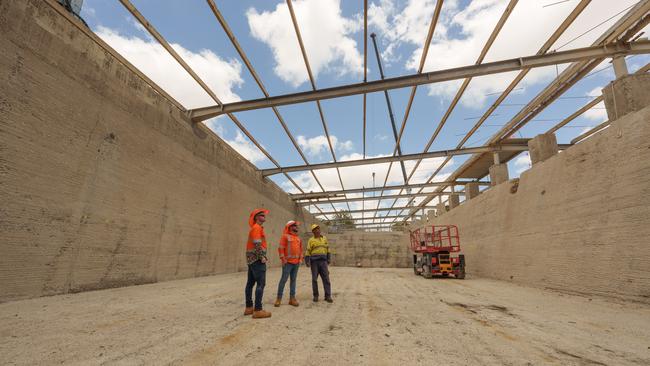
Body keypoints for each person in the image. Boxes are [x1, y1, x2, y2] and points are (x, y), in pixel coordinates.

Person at [244, 208, 271, 319]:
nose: (264, 216)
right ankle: (258, 310)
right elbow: (257, 244)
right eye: (261, 215)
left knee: (250, 284)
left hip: (252, 260)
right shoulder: (256, 228)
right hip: (257, 260)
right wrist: (262, 257)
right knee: (261, 284)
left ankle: (249, 307)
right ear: (256, 217)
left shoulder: (257, 228)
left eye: (264, 215)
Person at [274, 221, 303, 307]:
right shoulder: (285, 236)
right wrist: (283, 259)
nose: (296, 227)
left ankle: (292, 299)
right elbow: (280, 248)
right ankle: (278, 299)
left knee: (293, 281)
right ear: (289, 227)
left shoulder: (298, 238)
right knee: (283, 280)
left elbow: (301, 250)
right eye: (294, 226)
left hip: (296, 263)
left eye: (296, 226)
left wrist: (300, 259)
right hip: (288, 263)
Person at [305, 224, 333, 303]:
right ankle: (315, 296)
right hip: (314, 262)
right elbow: (308, 250)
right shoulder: (311, 240)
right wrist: (307, 260)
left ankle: (328, 296)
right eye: (315, 229)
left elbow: (328, 249)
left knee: (326, 279)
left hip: (323, 262)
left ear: (320, 230)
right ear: (313, 231)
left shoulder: (324, 238)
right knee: (314, 279)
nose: (317, 230)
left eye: (318, 229)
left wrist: (328, 258)